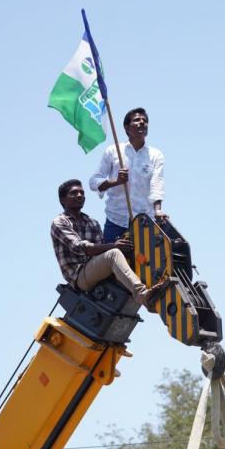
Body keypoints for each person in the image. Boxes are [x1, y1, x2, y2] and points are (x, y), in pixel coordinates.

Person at [50, 179, 166, 306]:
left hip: (97, 268)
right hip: (80, 276)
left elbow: (102, 249)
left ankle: (160, 288)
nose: (80, 195)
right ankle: (141, 294)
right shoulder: (60, 222)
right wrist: (114, 246)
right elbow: (79, 247)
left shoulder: (91, 222)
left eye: (82, 193)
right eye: (74, 193)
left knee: (131, 253)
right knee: (114, 254)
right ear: (63, 200)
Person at [89, 107, 165, 242]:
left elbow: (157, 185)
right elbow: (94, 182)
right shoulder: (113, 151)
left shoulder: (155, 155)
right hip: (116, 220)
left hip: (144, 221)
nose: (142, 122)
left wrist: (158, 210)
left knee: (145, 262)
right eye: (137, 120)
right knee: (114, 260)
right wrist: (116, 181)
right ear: (127, 128)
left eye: (145, 120)